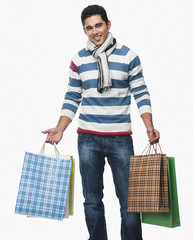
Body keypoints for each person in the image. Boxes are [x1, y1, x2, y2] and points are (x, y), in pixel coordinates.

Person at [42, 4, 159, 240]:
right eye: (89, 28)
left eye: (98, 25)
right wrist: (60, 128)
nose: (95, 31)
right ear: (84, 30)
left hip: (120, 139)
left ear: (108, 24)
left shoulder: (129, 56)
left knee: (130, 202)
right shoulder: (78, 59)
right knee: (92, 201)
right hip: (88, 139)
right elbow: (72, 96)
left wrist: (148, 125)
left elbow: (141, 93)